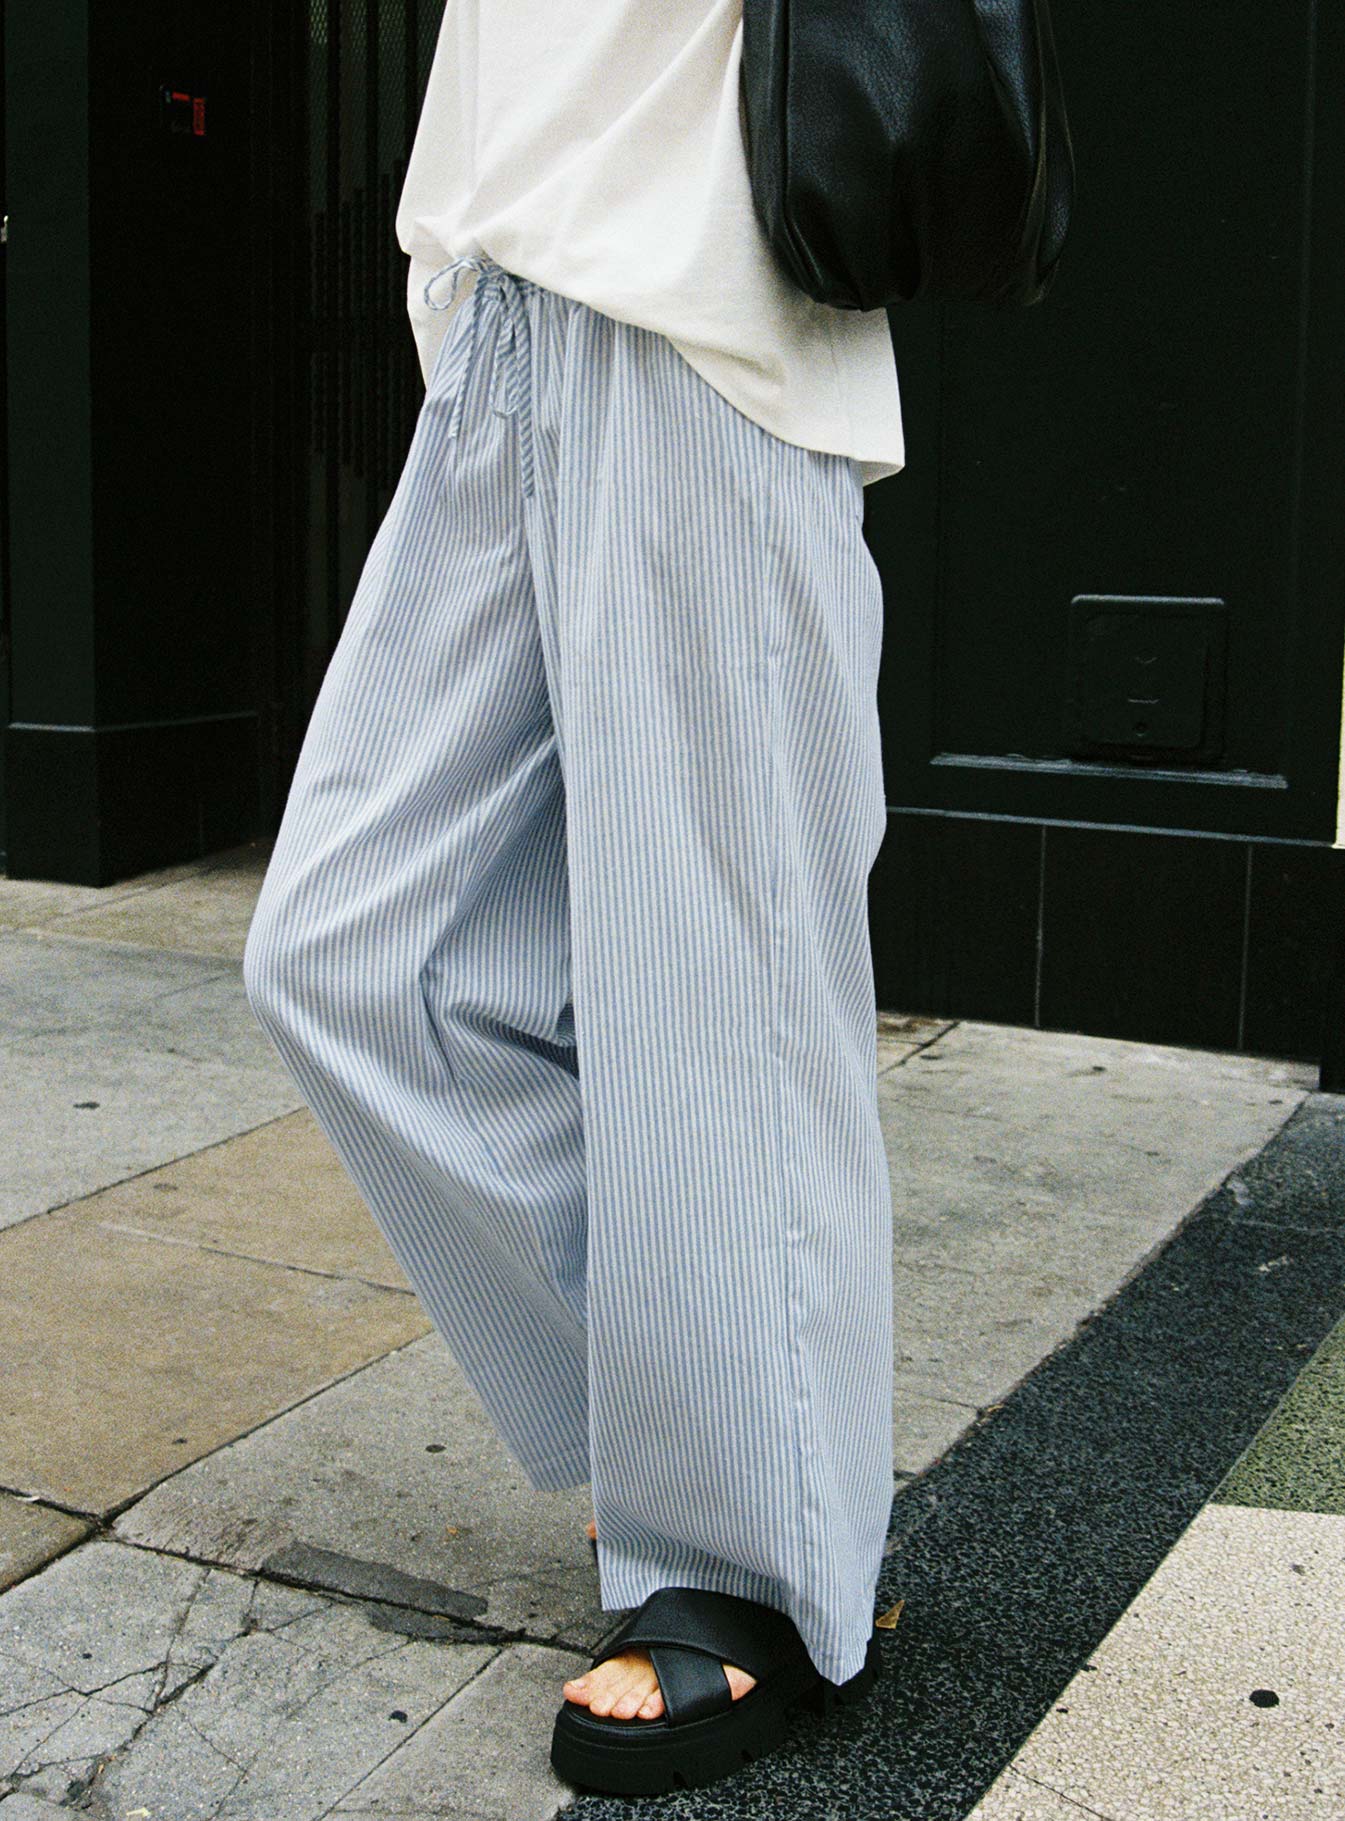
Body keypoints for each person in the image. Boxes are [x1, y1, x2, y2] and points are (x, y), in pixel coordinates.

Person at [242, 0, 904, 1795]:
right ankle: (749, 1434)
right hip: (500, 307)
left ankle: (747, 1557)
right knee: (352, 947)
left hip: (699, 302)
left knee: (716, 989)